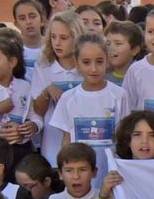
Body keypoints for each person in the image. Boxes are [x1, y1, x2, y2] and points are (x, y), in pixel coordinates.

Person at [48, 33, 129, 183]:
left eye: (99, 61)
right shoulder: (68, 98)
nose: (93, 69)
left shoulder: (119, 95)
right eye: (86, 62)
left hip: (112, 174)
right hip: (80, 178)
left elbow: (124, 137)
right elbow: (66, 140)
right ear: (76, 63)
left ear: (107, 61)